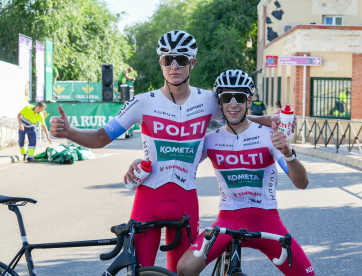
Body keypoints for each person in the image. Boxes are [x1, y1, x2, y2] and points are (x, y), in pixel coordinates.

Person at [49, 30, 279, 273]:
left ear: (192, 62)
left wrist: (270, 120)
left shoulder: (209, 101)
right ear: (160, 63)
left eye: (181, 59)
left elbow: (239, 116)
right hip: (149, 199)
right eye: (167, 60)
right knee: (141, 271)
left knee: (182, 272)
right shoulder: (143, 102)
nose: (174, 66)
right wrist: (69, 132)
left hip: (185, 201)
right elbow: (101, 137)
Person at [176, 70, 313, 276]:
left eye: (239, 97)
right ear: (219, 103)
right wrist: (141, 163)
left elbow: (301, 183)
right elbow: (178, 164)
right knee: (185, 268)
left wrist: (288, 153)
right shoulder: (211, 140)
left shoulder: (269, 135)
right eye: (226, 98)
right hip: (228, 219)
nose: (233, 104)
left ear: (248, 100)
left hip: (267, 219)